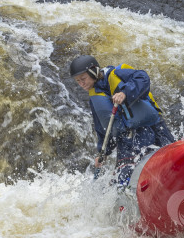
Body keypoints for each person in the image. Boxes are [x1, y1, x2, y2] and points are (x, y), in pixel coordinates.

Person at [70, 54, 175, 184]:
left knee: (171, 162)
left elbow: (143, 78)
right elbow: (103, 129)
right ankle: (125, 199)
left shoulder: (116, 73)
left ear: (93, 71)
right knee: (122, 181)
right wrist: (103, 153)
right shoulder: (94, 97)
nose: (81, 84)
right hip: (126, 141)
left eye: (83, 79)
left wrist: (125, 92)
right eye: (78, 81)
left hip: (151, 128)